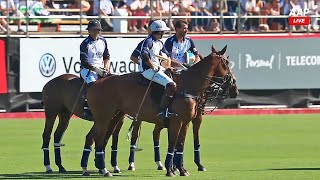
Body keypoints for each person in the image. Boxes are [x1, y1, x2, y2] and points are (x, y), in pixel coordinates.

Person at [139, 19, 175, 127]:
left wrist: (168, 65)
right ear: (159, 32)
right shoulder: (148, 41)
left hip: (158, 68)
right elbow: (144, 55)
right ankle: (162, 111)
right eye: (163, 31)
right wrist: (152, 66)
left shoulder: (159, 43)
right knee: (171, 84)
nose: (164, 33)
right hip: (148, 70)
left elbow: (166, 57)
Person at [80, 19, 110, 115]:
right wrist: (96, 70)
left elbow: (106, 56)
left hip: (101, 69)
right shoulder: (85, 43)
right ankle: (88, 107)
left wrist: (106, 67)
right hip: (87, 70)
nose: (96, 32)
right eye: (93, 30)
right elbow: (84, 61)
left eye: (98, 30)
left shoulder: (103, 41)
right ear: (89, 31)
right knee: (92, 85)